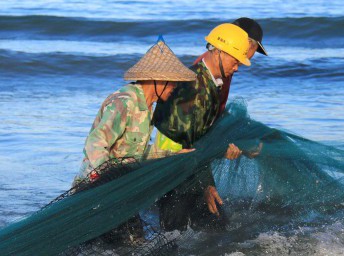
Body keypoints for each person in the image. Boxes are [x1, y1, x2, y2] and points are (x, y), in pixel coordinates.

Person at [151, 22, 259, 231]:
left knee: (207, 230)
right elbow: (191, 143)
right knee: (178, 234)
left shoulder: (208, 82)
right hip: (174, 170)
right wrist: (207, 185)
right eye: (235, 60)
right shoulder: (196, 88)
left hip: (187, 168)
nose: (236, 67)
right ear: (218, 52)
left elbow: (201, 133)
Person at [72, 38, 196, 186]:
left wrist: (172, 155)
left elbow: (138, 151)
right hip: (94, 185)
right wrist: (108, 176)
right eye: (173, 82)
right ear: (158, 80)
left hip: (122, 182)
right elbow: (95, 142)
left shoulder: (148, 106)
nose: (175, 87)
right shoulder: (124, 103)